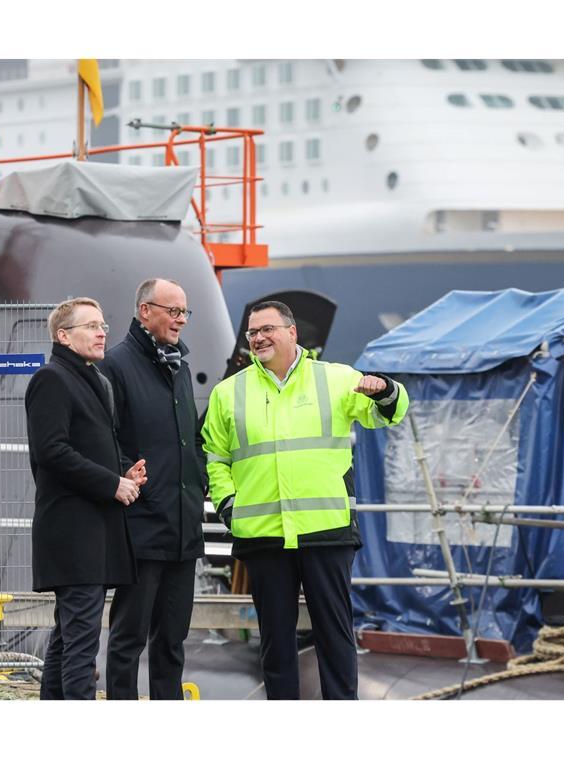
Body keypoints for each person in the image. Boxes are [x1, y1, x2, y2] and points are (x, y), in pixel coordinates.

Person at [201, 300, 409, 699]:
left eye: (267, 329)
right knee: (275, 643)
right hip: (263, 536)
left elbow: (387, 414)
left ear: (292, 332)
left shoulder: (334, 379)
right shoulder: (229, 393)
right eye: (252, 332)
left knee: (335, 635)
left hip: (325, 532)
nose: (259, 338)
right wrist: (230, 508)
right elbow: (215, 457)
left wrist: (385, 388)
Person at [25, 297, 148, 700]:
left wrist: (122, 472)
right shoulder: (52, 378)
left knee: (68, 637)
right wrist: (111, 484)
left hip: (92, 532)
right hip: (72, 533)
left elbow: (89, 446)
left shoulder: (92, 379)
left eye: (103, 326)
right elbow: (52, 451)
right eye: (91, 326)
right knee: (80, 644)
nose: (102, 333)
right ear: (64, 335)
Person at [99, 278, 206, 700]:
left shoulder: (177, 365)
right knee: (129, 637)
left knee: (172, 640)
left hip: (183, 527)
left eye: (184, 313)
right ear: (146, 311)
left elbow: (189, 440)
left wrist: (197, 483)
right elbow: (106, 438)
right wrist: (127, 473)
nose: (180, 320)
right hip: (141, 528)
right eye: (173, 311)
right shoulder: (116, 365)